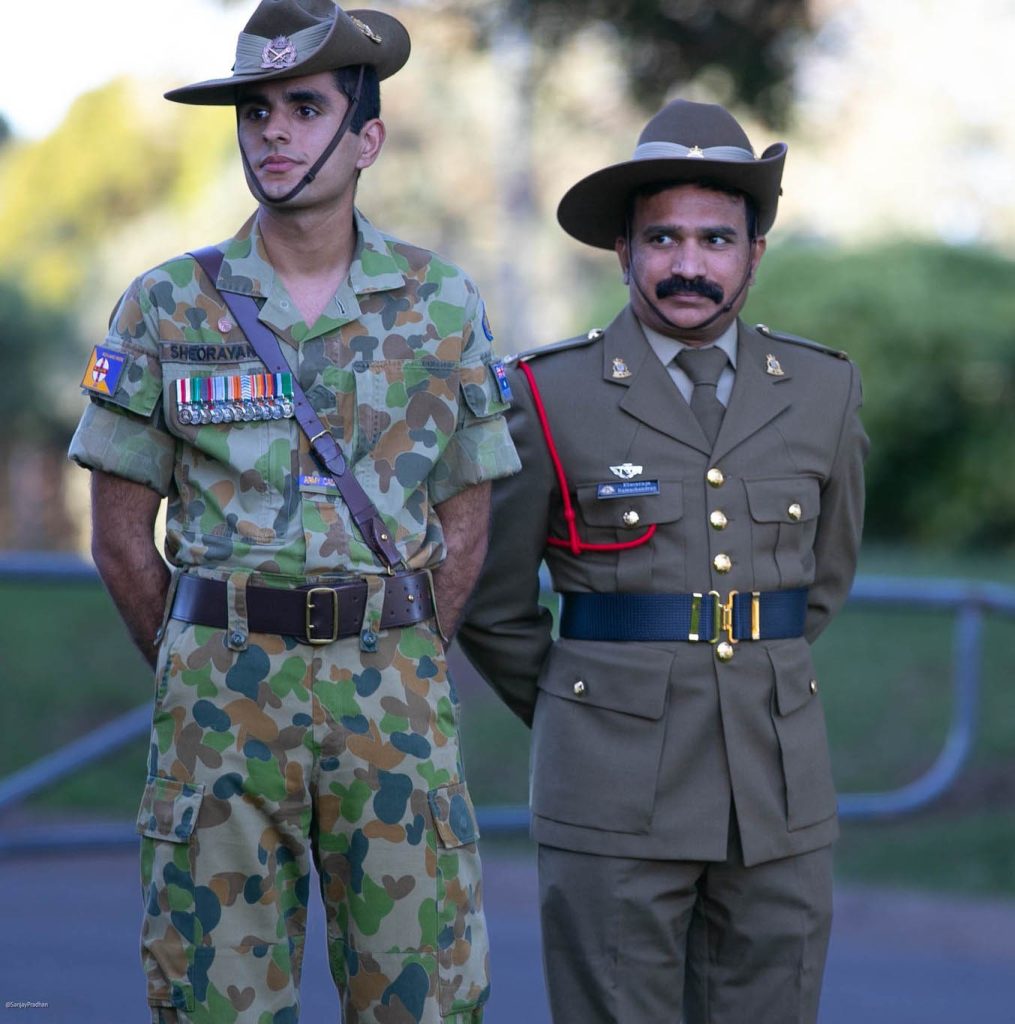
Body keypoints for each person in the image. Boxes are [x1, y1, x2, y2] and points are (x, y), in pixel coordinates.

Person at [68, 2, 520, 1021]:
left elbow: (467, 515)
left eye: (303, 108)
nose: (271, 132)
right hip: (220, 704)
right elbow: (115, 531)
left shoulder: (440, 303)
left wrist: (398, 646)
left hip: (392, 704)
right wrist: (202, 657)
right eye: (254, 111)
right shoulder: (165, 305)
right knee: (210, 996)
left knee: (423, 996)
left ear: (368, 138)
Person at [457, 98, 868, 1024]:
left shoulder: (821, 388)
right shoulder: (544, 393)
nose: (689, 265)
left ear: (754, 251)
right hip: (607, 785)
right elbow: (490, 600)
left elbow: (822, 580)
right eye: (664, 239)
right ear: (624, 251)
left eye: (716, 239)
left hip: (776, 784)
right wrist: (589, 703)